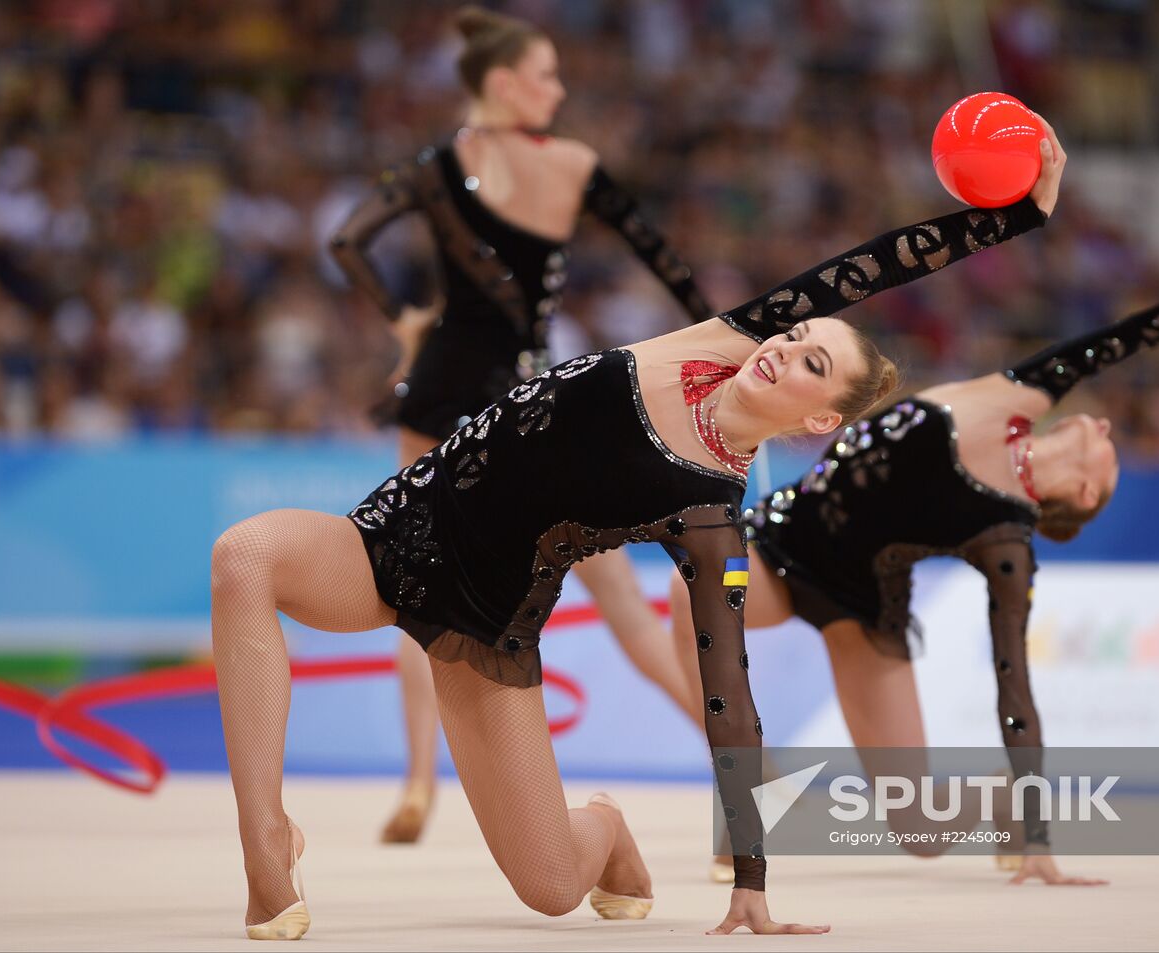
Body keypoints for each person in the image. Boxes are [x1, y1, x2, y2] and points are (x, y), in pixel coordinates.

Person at [210, 141, 1063, 937]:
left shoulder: (715, 525)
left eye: (811, 363)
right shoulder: (710, 343)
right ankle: (266, 840)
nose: (786, 347)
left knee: (549, 887)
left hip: (485, 622)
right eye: (797, 334)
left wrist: (751, 882)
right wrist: (1014, 218)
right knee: (243, 557)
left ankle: (606, 827)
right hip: (394, 534)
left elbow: (728, 690)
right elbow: (875, 266)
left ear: (815, 416)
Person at [669, 282, 1159, 886]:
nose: (1103, 424)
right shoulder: (1011, 397)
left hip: (862, 609)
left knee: (919, 829)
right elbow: (1126, 339)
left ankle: (1001, 803)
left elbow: (1014, 685)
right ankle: (752, 789)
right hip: (781, 541)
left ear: (1085, 495)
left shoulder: (1007, 543)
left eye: (1110, 454)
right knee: (693, 599)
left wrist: (1036, 828)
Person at [329, 5, 715, 842]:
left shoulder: (433, 169)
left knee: (406, 576)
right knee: (620, 599)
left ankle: (418, 782)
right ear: (502, 82)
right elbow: (666, 260)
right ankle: (739, 768)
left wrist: (403, 320)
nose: (559, 88)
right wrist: (722, 337)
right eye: (546, 74)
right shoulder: (573, 164)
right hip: (531, 398)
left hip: (438, 385)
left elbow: (348, 243)